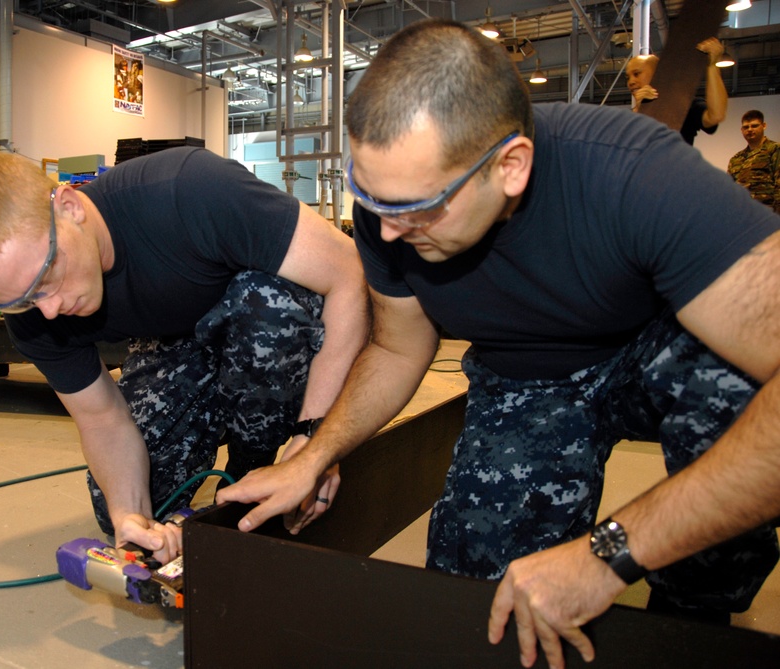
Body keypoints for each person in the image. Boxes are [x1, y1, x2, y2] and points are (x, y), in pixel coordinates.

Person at [217, 19, 780, 669]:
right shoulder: (393, 213)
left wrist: (612, 552)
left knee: (735, 391)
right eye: (371, 200)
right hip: (528, 376)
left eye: (418, 208)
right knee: (472, 597)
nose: (390, 233)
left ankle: (694, 613)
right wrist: (314, 453)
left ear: (510, 166)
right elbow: (399, 350)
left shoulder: (636, 174)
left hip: (658, 344)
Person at [0, 148, 369, 567]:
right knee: (123, 507)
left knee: (267, 302)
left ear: (69, 207)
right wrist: (130, 518)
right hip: (177, 343)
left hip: (270, 331)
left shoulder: (189, 190)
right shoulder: (32, 311)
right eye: (21, 301)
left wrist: (317, 442)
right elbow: (102, 420)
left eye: (47, 276)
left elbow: (349, 273)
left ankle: (252, 468)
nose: (47, 309)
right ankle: (217, 494)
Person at [626, 36, 727, 144]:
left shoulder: (684, 105)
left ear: (658, 73)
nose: (631, 82)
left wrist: (712, 66)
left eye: (637, 74)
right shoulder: (627, 119)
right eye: (628, 77)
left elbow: (715, 116)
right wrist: (639, 110)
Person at [727, 109, 780, 213]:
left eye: (754, 126)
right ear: (741, 130)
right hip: (744, 217)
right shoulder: (736, 159)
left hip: (768, 216)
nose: (750, 129)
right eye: (746, 127)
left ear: (764, 126)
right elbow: (730, 192)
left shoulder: (774, 149)